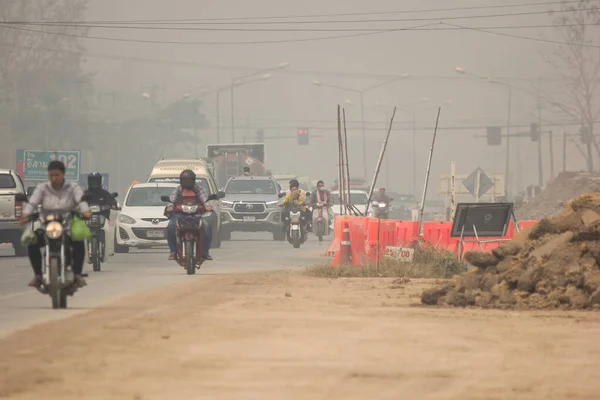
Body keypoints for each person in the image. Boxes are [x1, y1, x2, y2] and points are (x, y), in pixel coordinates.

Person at [21, 160, 91, 288]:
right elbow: (33, 203)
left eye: (57, 175)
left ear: (63, 174)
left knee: (79, 243)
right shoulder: (42, 188)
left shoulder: (73, 188)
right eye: (51, 176)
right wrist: (26, 214)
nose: (54, 178)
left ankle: (77, 274)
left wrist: (86, 211)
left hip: (66, 226)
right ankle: (37, 276)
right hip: (46, 226)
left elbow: (81, 200)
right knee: (32, 243)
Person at [166, 170, 213, 262]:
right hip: (179, 215)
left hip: (196, 215)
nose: (186, 182)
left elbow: (204, 198)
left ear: (193, 180)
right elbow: (171, 200)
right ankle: (173, 251)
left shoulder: (198, 189)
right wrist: (170, 206)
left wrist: (208, 206)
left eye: (189, 180)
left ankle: (205, 252)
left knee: (207, 227)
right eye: (184, 180)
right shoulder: (178, 190)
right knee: (170, 227)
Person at [84, 172, 118, 263]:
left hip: (103, 219)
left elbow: (112, 201)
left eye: (96, 180)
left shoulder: (105, 193)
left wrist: (114, 205)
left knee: (109, 230)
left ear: (100, 181)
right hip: (87, 219)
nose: (94, 182)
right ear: (89, 181)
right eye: (92, 180)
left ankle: (109, 250)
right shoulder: (85, 194)